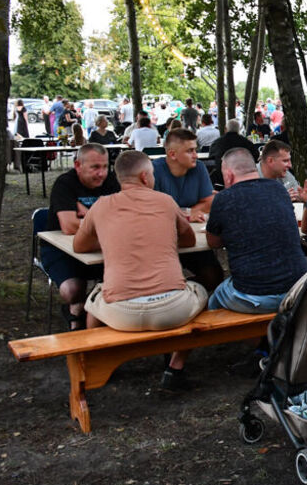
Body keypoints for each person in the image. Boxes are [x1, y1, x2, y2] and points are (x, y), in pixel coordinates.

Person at [72, 150, 207, 388]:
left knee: (93, 301)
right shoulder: (166, 201)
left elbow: (79, 246)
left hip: (121, 313)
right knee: (203, 289)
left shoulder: (101, 206)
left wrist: (110, 236)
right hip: (172, 309)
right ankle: (176, 366)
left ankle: (94, 364)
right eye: (153, 174)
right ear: (145, 177)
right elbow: (189, 242)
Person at [206, 147, 307, 313]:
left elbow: (213, 242)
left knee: (213, 301)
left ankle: (225, 338)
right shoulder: (279, 190)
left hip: (252, 294)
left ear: (229, 175)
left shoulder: (224, 198)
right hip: (297, 288)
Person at [41, 144, 120, 329]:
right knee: (73, 290)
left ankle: (94, 314)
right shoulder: (65, 184)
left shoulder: (112, 182)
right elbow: (68, 226)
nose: (101, 173)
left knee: (126, 279)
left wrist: (86, 216)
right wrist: (101, 218)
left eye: (104, 166)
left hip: (99, 248)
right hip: (62, 250)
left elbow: (124, 220)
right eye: (95, 167)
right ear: (78, 165)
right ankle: (77, 311)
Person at [152, 128, 223, 292]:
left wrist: (188, 213)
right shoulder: (154, 171)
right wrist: (184, 214)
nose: (196, 155)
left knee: (213, 275)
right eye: (190, 151)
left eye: (195, 150)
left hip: (193, 237)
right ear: (172, 154)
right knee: (163, 280)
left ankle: (188, 295)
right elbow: (151, 210)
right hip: (162, 241)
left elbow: (210, 200)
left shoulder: (198, 168)